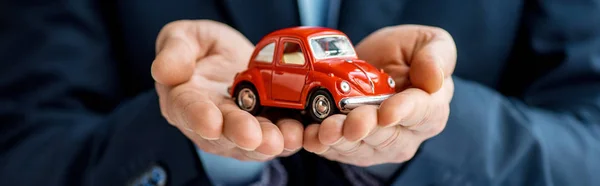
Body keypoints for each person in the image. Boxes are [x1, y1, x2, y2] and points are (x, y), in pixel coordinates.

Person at [0, 0, 599, 186]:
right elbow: (27, 149)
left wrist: (432, 119)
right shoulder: (276, 71)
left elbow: (591, 138)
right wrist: (193, 128)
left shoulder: (339, 65)